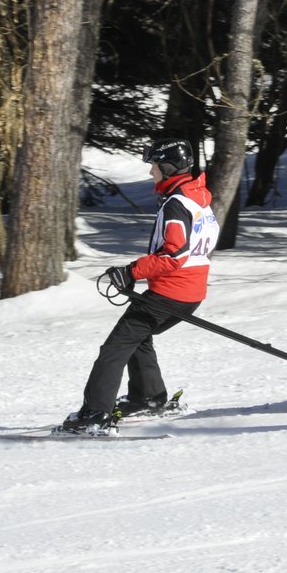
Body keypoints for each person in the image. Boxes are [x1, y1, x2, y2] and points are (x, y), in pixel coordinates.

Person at [60, 139, 219, 434]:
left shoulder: (176, 204)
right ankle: (147, 397)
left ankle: (94, 415)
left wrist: (132, 271)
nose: (151, 173)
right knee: (138, 337)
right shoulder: (197, 198)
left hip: (171, 292)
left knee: (114, 348)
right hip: (190, 292)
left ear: (168, 168)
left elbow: (174, 254)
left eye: (154, 166)